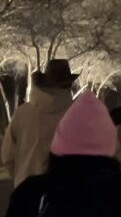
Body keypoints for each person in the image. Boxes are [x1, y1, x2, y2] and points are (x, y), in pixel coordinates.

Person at [1, 59, 75, 188]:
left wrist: (21, 177)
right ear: (69, 84)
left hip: (25, 191)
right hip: (65, 195)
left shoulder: (22, 113)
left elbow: (7, 157)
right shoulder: (79, 116)